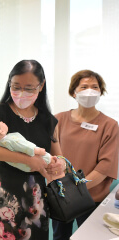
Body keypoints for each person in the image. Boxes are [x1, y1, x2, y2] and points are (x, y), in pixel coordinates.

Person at [0, 60, 66, 240]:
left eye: (29, 88)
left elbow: (59, 156)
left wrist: (60, 165)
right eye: (16, 86)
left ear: (40, 86)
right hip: (4, 196)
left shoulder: (49, 120)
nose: (21, 93)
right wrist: (27, 160)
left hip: (36, 198)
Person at [52, 70, 119, 240]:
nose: (90, 91)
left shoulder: (110, 126)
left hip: (91, 197)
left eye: (95, 87)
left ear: (100, 92)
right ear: (74, 92)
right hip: (61, 196)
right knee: (60, 236)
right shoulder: (58, 120)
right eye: (84, 87)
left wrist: (77, 189)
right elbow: (50, 156)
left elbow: (105, 166)